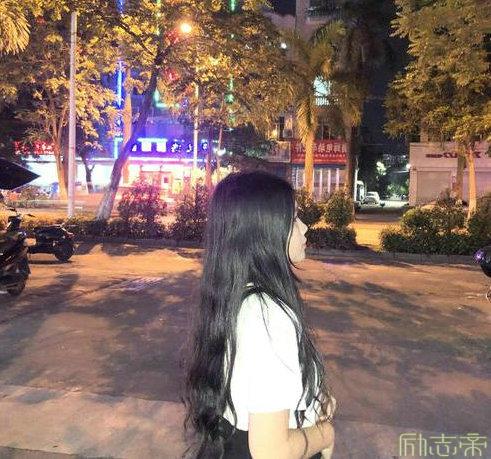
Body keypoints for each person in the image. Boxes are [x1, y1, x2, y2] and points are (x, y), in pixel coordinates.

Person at [181, 171, 336, 458]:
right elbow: (272, 451)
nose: (304, 228)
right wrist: (325, 433)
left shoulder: (235, 295)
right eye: (293, 219)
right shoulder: (268, 317)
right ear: (263, 233)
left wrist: (314, 401)